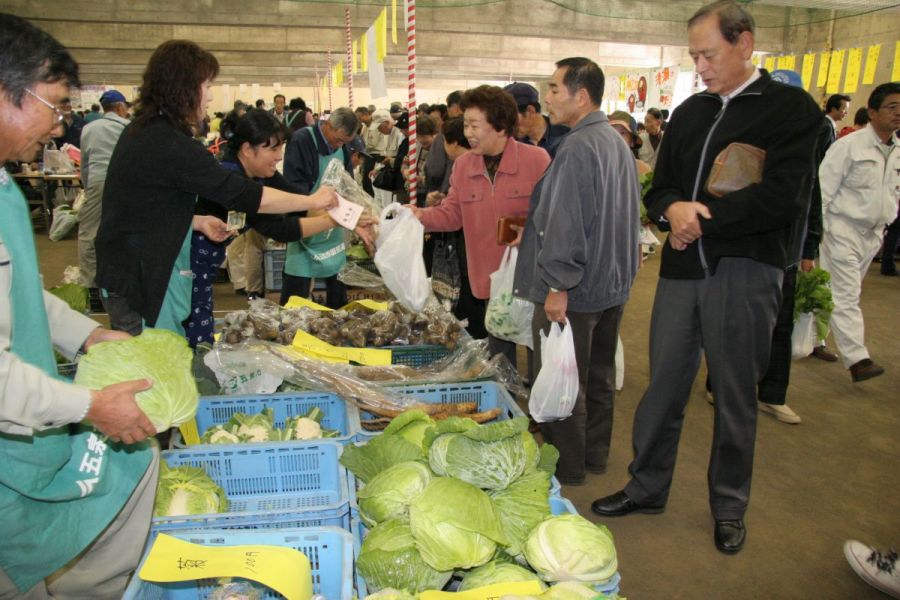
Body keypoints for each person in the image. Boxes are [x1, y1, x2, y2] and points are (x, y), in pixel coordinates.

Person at [591, 0, 821, 554]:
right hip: (681, 270)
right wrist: (672, 211)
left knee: (736, 392)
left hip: (746, 268)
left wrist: (703, 219)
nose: (701, 65)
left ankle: (729, 505)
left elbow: (785, 198)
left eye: (708, 53)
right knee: (664, 385)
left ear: (744, 43)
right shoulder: (693, 111)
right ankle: (647, 486)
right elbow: (663, 184)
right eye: (694, 54)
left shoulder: (790, 111)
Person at [0, 14, 160, 598]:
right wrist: (89, 405)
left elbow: (19, 288)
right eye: (54, 104)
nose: (59, 124)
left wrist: (84, 337)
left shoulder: (1, 183)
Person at [96, 40, 338, 336]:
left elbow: (142, 205)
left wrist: (195, 221)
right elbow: (246, 196)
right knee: (153, 367)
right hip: (143, 280)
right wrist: (314, 200)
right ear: (184, 88)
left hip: (135, 272)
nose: (209, 98)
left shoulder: (147, 132)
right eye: (206, 87)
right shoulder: (169, 142)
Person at [513, 58, 640, 485]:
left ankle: (566, 467)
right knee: (599, 376)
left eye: (553, 88)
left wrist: (557, 285)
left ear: (580, 96)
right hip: (610, 284)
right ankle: (594, 457)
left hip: (576, 291)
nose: (546, 97)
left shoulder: (576, 147)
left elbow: (567, 224)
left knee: (563, 376)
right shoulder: (615, 142)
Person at [185, 110, 375, 346]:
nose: (279, 157)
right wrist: (333, 218)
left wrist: (351, 217)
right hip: (184, 262)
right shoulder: (231, 177)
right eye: (273, 149)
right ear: (247, 149)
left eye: (280, 148)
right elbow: (281, 228)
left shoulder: (263, 173)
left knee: (199, 321)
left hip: (206, 264)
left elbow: (296, 200)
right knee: (188, 327)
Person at [408, 85, 551, 366]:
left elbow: (555, 217)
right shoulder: (463, 166)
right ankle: (504, 406)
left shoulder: (537, 160)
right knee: (499, 356)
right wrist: (418, 215)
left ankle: (538, 410)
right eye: (465, 125)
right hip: (491, 279)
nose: (468, 133)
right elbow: (451, 215)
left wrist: (531, 232)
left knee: (540, 354)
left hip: (533, 277)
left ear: (499, 126)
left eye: (474, 125)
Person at [817, 81, 900, 382]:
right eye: (892, 107)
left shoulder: (897, 150)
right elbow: (823, 191)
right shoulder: (849, 147)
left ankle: (811, 340)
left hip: (874, 234)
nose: (898, 113)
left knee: (832, 292)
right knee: (846, 295)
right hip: (842, 230)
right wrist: (818, 234)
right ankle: (857, 359)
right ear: (873, 111)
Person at [282, 107, 359, 307]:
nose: (340, 146)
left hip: (332, 232)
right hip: (307, 224)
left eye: (345, 143)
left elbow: (348, 185)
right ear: (327, 125)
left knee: (338, 296)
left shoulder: (341, 146)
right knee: (295, 298)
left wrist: (355, 214)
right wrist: (318, 210)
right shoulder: (302, 141)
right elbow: (295, 191)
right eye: (338, 139)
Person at [78, 89, 130, 289]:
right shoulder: (129, 127)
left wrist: (89, 187)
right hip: (126, 185)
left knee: (89, 233)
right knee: (124, 231)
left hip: (98, 182)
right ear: (119, 107)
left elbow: (84, 164)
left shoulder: (89, 128)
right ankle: (122, 281)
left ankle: (90, 285)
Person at [503, 82, 570, 158]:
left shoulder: (566, 138)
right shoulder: (509, 144)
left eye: (510, 117)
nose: (506, 124)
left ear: (530, 111)